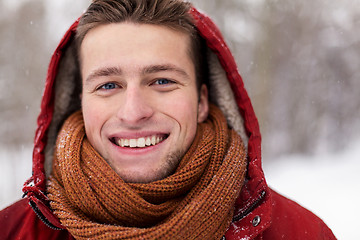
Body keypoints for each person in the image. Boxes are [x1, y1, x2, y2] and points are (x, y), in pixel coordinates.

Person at [0, 0, 336, 239]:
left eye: (162, 81)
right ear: (81, 104)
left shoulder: (300, 233)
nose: (133, 112)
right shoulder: (12, 231)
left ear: (203, 100)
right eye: (108, 85)